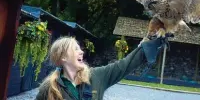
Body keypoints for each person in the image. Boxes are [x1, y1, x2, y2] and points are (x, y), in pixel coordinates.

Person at [35, 36, 167, 100]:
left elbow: (125, 65)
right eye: (75, 49)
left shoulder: (96, 76)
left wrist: (153, 42)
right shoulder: (49, 88)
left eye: (80, 48)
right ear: (63, 57)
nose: (81, 51)